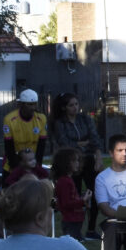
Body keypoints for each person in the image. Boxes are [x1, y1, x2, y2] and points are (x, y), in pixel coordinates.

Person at [49, 93, 103, 239]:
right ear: (64, 107)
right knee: (75, 195)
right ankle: (74, 230)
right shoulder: (61, 123)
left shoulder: (85, 119)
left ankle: (91, 229)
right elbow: (65, 143)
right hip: (72, 162)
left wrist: (97, 156)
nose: (75, 108)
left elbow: (94, 139)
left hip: (88, 160)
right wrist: (81, 143)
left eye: (76, 104)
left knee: (95, 193)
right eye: (71, 105)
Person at [3, 88, 48, 173]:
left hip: (32, 163)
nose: (33, 108)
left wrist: (36, 166)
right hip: (13, 165)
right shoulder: (9, 119)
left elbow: (41, 146)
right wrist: (15, 168)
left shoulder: (41, 119)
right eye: (29, 105)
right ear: (21, 104)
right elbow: (9, 147)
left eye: (35, 104)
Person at [51, 148, 91, 241]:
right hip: (70, 221)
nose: (77, 163)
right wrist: (83, 200)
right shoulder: (64, 181)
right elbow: (66, 203)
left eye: (77, 160)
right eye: (74, 161)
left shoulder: (68, 179)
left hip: (75, 220)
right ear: (64, 163)